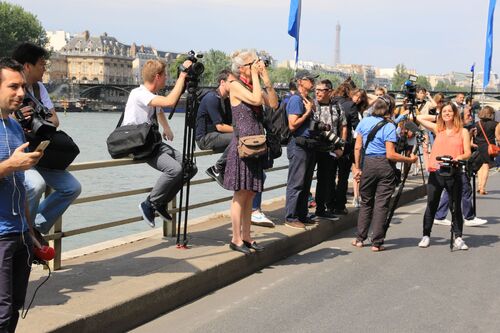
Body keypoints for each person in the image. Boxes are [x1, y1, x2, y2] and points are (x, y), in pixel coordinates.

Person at [12, 42, 82, 235]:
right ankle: (22, 233)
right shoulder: (5, 88)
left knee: (72, 187)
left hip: (38, 152)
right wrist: (17, 117)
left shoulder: (38, 89)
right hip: (15, 154)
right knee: (36, 185)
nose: (45, 69)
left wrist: (34, 114)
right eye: (42, 64)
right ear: (27, 66)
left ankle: (33, 230)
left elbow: (55, 120)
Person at [123, 58, 194, 228]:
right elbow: (169, 102)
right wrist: (182, 75)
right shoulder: (139, 93)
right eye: (165, 75)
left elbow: (160, 110)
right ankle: (149, 203)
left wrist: (167, 128)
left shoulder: (151, 95)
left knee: (190, 167)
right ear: (157, 77)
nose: (166, 78)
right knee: (175, 169)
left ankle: (160, 202)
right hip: (137, 143)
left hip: (150, 141)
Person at [0, 58, 43, 333]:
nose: (21, 93)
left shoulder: (16, 127)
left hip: (19, 234)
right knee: (1, 314)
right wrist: (8, 166)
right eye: (13, 86)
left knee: (15, 307)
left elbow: (20, 186)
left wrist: (30, 231)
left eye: (23, 87)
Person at [224, 49, 278, 254]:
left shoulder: (251, 85)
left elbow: (272, 103)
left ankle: (247, 236)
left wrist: (266, 78)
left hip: (257, 144)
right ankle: (236, 238)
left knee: (250, 192)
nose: (255, 66)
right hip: (243, 146)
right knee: (240, 194)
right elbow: (256, 101)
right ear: (241, 68)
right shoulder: (234, 85)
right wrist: (256, 75)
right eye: (251, 64)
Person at [351, 95, 417, 251]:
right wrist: (410, 160)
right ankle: (377, 242)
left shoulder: (364, 122)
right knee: (381, 205)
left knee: (366, 202)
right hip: (385, 166)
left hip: (368, 164)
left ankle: (360, 238)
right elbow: (390, 154)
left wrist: (358, 167)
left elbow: (357, 147)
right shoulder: (389, 127)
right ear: (390, 109)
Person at [416, 101, 471, 250]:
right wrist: (438, 116)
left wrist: (458, 158)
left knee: (455, 206)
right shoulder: (438, 129)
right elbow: (420, 117)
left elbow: (467, 152)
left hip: (454, 172)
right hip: (436, 171)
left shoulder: (463, 131)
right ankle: (426, 235)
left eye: (450, 111)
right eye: (444, 111)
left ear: (455, 114)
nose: (447, 114)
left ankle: (458, 237)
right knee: (431, 204)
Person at [284, 70, 318, 229]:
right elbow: (292, 125)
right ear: (300, 82)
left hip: (309, 144)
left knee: (305, 183)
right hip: (298, 145)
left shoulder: (307, 99)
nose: (313, 82)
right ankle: (291, 217)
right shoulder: (296, 100)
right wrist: (307, 112)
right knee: (296, 183)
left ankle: (302, 215)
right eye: (309, 79)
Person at [313, 79, 346, 220]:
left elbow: (343, 125)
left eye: (321, 90)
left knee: (325, 180)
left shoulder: (337, 107)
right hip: (312, 147)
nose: (318, 93)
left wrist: (341, 146)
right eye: (316, 90)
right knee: (305, 179)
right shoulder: (312, 105)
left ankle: (322, 209)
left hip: (329, 149)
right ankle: (301, 212)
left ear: (330, 92)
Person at [196, 69, 233, 187]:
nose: (235, 85)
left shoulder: (226, 99)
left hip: (216, 135)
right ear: (222, 82)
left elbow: (230, 124)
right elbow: (220, 127)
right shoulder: (212, 98)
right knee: (239, 137)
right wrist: (242, 130)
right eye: (232, 82)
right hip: (205, 138)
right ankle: (218, 168)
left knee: (242, 137)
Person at [474, 106, 500, 194]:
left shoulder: (477, 123)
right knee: (485, 166)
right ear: (491, 114)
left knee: (480, 166)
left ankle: (479, 185)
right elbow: (498, 136)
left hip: (478, 146)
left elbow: (474, 135)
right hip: (488, 147)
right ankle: (482, 188)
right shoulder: (496, 124)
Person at [350, 88, 369, 207]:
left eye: (360, 97)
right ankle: (356, 196)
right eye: (356, 96)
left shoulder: (363, 111)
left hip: (361, 142)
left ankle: (359, 195)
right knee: (356, 169)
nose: (358, 99)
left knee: (359, 169)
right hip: (352, 142)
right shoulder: (349, 108)